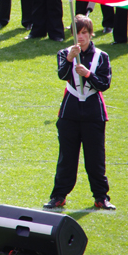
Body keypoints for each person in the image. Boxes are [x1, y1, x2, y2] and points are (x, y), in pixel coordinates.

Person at [44, 15, 115, 211]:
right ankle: (59, 196)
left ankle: (101, 197)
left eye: (84, 33)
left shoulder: (102, 56)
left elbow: (104, 84)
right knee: (66, 158)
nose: (81, 38)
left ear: (91, 34)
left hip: (93, 112)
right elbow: (62, 75)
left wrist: (88, 74)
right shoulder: (64, 53)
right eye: (77, 33)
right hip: (70, 112)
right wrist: (68, 60)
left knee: (95, 158)